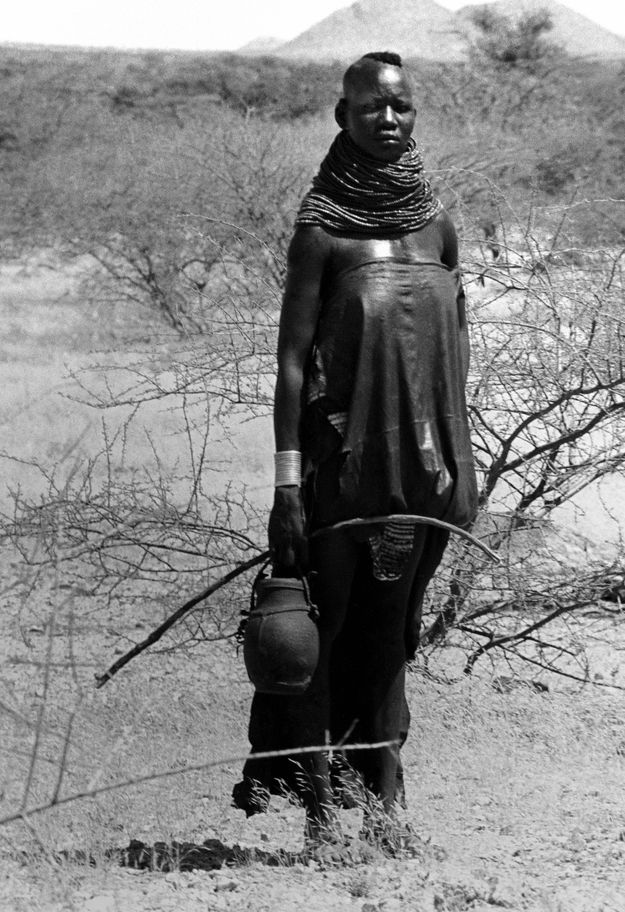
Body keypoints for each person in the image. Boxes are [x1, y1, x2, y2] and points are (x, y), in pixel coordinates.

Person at [232, 51, 478, 850]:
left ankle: (384, 804)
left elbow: (456, 349)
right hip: (340, 473)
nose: (387, 118)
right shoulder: (322, 234)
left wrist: (462, 463)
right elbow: (291, 364)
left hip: (423, 474)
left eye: (400, 107)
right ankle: (314, 814)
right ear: (342, 117)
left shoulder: (436, 226)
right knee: (326, 631)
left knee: (390, 634)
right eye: (371, 107)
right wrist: (287, 485)